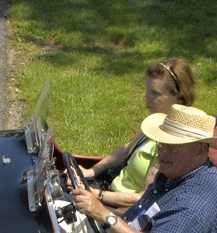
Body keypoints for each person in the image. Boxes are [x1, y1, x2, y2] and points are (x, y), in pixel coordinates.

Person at [67, 103, 217, 233]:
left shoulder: (197, 200)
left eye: (174, 146)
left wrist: (103, 214)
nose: (163, 152)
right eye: (161, 143)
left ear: (200, 150)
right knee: (50, 223)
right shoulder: (177, 173)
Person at [82, 58, 197, 210]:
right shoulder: (158, 120)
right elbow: (126, 150)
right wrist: (93, 170)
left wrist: (97, 195)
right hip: (107, 191)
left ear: (179, 97)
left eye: (155, 93)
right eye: (147, 91)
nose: (146, 98)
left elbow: (145, 197)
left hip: (121, 213)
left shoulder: (172, 142)